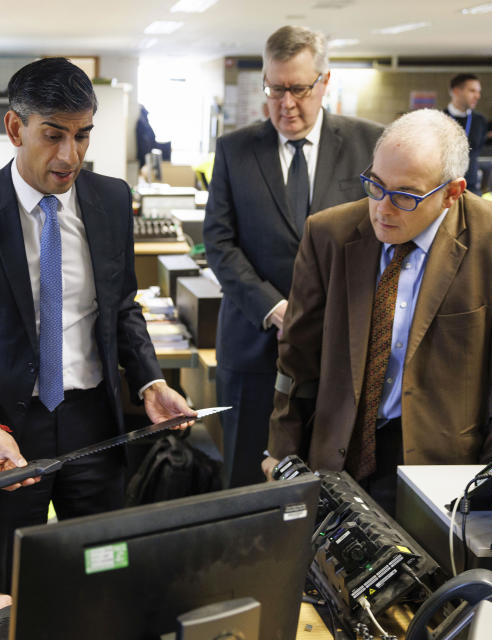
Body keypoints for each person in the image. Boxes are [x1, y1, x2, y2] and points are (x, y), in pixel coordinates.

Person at [0, 57, 194, 591]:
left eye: (83, 136)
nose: (70, 155)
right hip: (6, 431)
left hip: (94, 419)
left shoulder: (111, 199)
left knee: (102, 570)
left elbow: (122, 308)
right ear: (15, 128)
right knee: (11, 583)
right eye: (54, 135)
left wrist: (151, 381)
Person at [262, 109, 492, 516]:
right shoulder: (329, 233)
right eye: (375, 185)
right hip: (337, 449)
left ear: (451, 192)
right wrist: (281, 452)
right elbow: (296, 359)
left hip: (445, 461)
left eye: (405, 195)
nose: (382, 209)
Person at [203, 25, 383, 488]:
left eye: (298, 89)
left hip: (340, 348)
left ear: (324, 82)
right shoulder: (235, 150)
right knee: (246, 477)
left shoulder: (370, 146)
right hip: (254, 345)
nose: (286, 104)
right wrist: (274, 307)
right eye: (275, 88)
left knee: (329, 481)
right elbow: (219, 244)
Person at [443, 73, 487, 194]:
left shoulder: (480, 121)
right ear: (456, 91)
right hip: (442, 185)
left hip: (470, 185)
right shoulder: (439, 118)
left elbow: (478, 150)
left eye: (478, 92)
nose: (477, 96)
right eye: (472, 91)